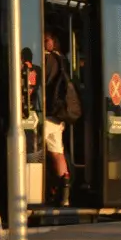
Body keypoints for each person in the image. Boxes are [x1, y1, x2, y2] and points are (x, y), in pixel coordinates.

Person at [41, 31, 76, 206]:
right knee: (57, 153)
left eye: (45, 39)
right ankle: (65, 196)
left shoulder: (47, 60)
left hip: (46, 114)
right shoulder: (63, 60)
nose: (42, 42)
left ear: (52, 42)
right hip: (57, 116)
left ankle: (50, 191)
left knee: (42, 151)